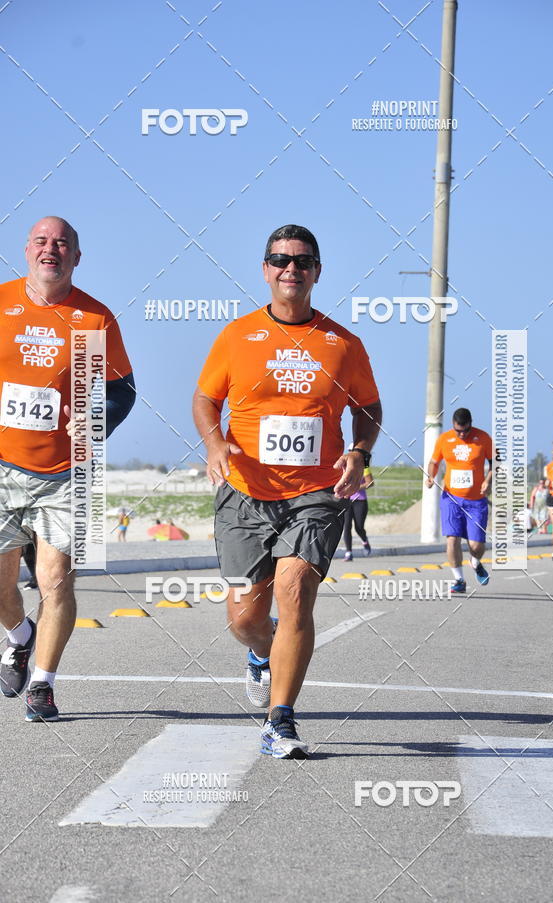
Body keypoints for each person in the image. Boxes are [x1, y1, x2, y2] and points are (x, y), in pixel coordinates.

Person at [193, 224, 381, 759]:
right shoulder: (236, 336)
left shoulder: (343, 344)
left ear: (317, 271)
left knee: (295, 591)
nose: (290, 269)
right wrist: (214, 445)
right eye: (280, 259)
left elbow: (369, 409)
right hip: (245, 493)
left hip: (317, 494)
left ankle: (281, 721)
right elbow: (206, 400)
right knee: (245, 617)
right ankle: (261, 652)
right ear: (265, 269)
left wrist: (359, 452)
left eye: (302, 261)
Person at [0, 216, 135, 721]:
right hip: (2, 465)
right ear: (26, 250)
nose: (50, 249)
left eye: (62, 243)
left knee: (57, 581)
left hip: (69, 470)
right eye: (41, 241)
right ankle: (18, 635)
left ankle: (43, 683)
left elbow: (123, 390)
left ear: (77, 257)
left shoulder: (94, 319)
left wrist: (96, 419)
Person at [426, 408, 492, 593]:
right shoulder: (444, 439)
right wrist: (431, 476)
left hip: (476, 501)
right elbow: (434, 462)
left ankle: (476, 562)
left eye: (465, 430)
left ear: (471, 423)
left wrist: (488, 481)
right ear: (453, 426)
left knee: (476, 546)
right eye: (458, 431)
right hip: (451, 498)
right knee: (452, 539)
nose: (462, 434)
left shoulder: (484, 438)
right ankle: (459, 580)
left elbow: (496, 463)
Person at [343, 458, 374, 561]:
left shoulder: (364, 468)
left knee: (359, 527)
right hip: (347, 500)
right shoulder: (344, 467)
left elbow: (370, 483)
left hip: (360, 501)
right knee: (346, 526)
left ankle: (365, 541)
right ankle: (348, 552)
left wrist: (355, 487)